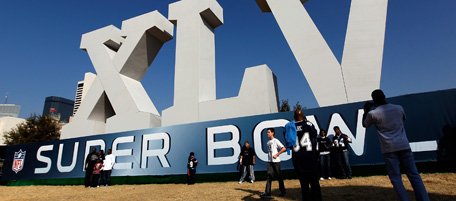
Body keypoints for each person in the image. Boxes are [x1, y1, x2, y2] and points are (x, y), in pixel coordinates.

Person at [363, 89, 430, 201]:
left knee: (396, 179)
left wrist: (366, 110)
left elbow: (365, 124)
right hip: (403, 145)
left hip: (389, 149)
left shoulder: (373, 114)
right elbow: (402, 119)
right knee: (414, 175)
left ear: (374, 100)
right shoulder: (399, 108)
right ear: (384, 96)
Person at [286, 109, 322, 201]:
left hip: (298, 158)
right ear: (303, 115)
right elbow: (315, 133)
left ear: (294, 117)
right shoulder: (308, 124)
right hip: (310, 157)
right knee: (314, 183)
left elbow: (288, 143)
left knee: (304, 185)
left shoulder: (290, 126)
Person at [260, 128, 286, 199]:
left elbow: (283, 148)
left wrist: (277, 154)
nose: (267, 133)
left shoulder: (276, 140)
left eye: (268, 132)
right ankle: (267, 192)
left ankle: (283, 192)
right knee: (269, 177)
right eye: (267, 132)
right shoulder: (268, 142)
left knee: (279, 177)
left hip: (276, 162)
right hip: (270, 162)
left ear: (273, 133)